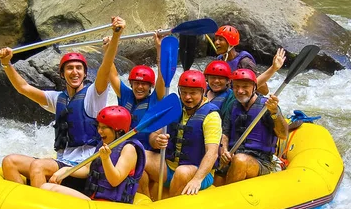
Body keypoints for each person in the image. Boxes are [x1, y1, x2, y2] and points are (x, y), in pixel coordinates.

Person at [0, 16, 125, 188]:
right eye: (70, 68)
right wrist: (7, 64)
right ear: (62, 73)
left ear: (85, 74)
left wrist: (116, 36)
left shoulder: (94, 95)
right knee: (10, 162)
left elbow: (106, 67)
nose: (75, 72)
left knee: (39, 166)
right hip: (62, 161)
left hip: (82, 166)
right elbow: (23, 88)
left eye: (79, 68)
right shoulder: (57, 98)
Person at [40, 106, 146, 203]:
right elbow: (87, 169)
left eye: (104, 128)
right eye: (99, 126)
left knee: (53, 189)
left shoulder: (129, 149)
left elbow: (115, 180)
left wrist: (106, 159)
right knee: (46, 187)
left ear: (118, 130)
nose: (99, 131)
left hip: (112, 206)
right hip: (94, 199)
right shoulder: (104, 144)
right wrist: (65, 171)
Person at [142, 70, 221, 198]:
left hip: (198, 172)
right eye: (184, 92)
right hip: (169, 167)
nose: (187, 97)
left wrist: (197, 179)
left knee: (182, 172)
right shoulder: (175, 107)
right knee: (139, 154)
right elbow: (153, 134)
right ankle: (145, 203)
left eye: (193, 93)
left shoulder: (211, 116)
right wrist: (156, 140)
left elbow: (212, 153)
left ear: (202, 92)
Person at [218, 69, 289, 185]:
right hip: (233, 157)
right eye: (236, 87)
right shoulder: (232, 105)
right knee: (219, 175)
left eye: (245, 86)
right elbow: (225, 133)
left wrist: (275, 112)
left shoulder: (267, 106)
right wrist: (224, 151)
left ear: (254, 88)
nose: (240, 91)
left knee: (240, 160)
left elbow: (283, 135)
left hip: (261, 161)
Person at [106, 33, 166, 150]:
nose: (139, 87)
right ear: (131, 84)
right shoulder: (125, 95)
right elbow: (111, 73)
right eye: (136, 83)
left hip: (145, 151)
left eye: (144, 84)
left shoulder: (156, 99)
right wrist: (109, 49)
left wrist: (159, 48)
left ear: (150, 86)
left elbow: (162, 76)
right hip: (124, 148)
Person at [213, 25, 286, 95]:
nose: (216, 42)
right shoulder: (219, 60)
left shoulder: (244, 62)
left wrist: (273, 68)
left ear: (231, 43)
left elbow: (264, 91)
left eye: (220, 39)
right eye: (216, 39)